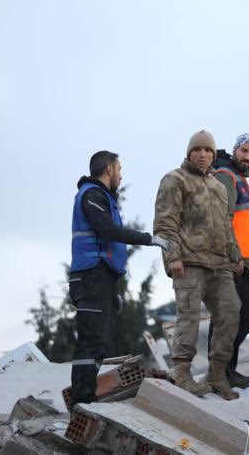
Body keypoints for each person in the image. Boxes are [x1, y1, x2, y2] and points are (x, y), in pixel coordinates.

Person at [68, 151, 170, 405]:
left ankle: (85, 397)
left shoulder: (102, 197)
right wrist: (149, 239)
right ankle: (82, 400)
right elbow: (107, 229)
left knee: (98, 342)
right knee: (91, 342)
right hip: (91, 276)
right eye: (120, 169)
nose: (121, 175)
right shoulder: (92, 194)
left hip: (100, 277)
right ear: (110, 169)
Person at [154, 130, 244, 400]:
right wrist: (173, 257)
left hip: (220, 264)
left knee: (231, 314)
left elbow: (227, 225)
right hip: (189, 262)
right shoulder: (175, 179)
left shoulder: (218, 186)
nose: (203, 154)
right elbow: (164, 223)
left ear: (214, 155)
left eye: (208, 151)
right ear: (189, 152)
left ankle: (216, 375)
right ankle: (182, 375)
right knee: (189, 318)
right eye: (198, 150)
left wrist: (235, 255)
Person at [208, 133, 249, 389]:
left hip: (241, 260)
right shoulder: (226, 175)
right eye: (245, 152)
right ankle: (219, 371)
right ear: (235, 151)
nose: (248, 158)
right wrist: (233, 253)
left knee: (241, 316)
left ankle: (226, 369)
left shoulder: (237, 177)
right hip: (231, 259)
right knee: (233, 317)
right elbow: (222, 217)